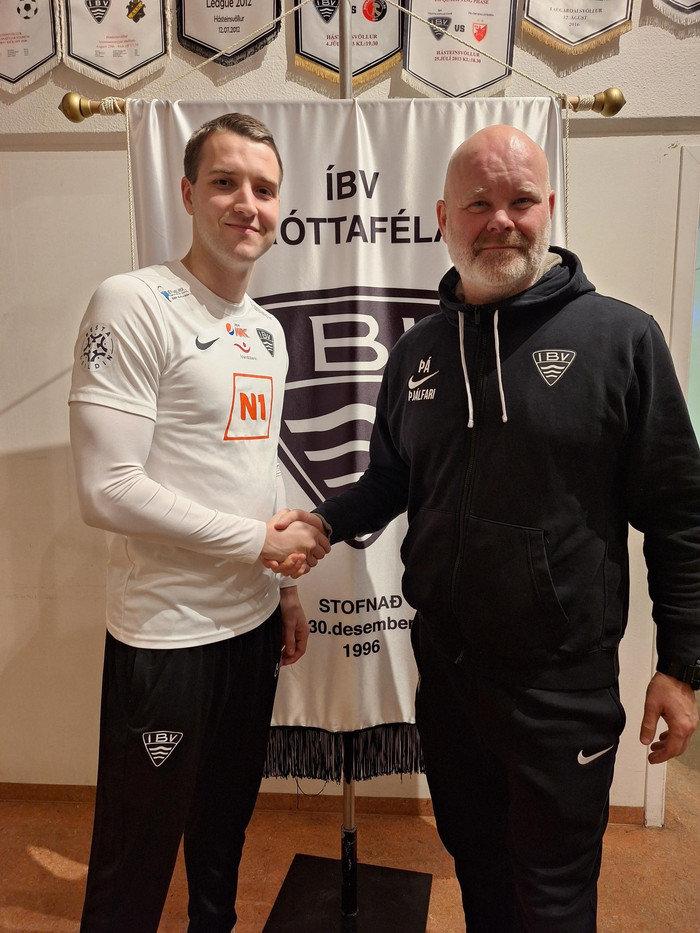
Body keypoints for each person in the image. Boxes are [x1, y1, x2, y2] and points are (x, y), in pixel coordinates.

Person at [272, 125, 700, 931]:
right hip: (449, 681)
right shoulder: (417, 352)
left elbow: (680, 513)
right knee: (480, 873)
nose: (500, 220)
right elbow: (393, 480)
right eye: (478, 203)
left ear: (550, 207)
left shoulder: (622, 338)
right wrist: (322, 521)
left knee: (554, 898)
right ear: (443, 217)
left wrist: (682, 666)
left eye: (520, 200)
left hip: (561, 690)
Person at [69, 112, 329, 932]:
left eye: (264, 188)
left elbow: (254, 464)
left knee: (222, 838)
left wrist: (281, 589)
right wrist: (260, 543)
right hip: (167, 636)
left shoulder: (267, 330)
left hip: (250, 628)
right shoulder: (133, 302)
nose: (247, 203)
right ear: (187, 193)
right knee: (135, 858)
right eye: (225, 182)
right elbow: (107, 488)